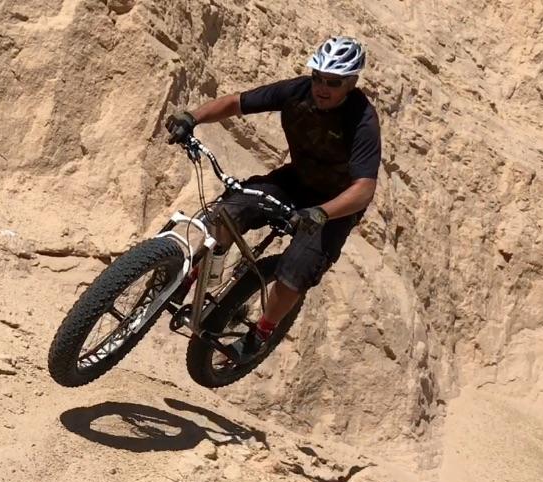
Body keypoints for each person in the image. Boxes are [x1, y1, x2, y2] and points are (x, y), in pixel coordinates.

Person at [163, 36, 382, 360]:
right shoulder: (298, 91)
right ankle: (201, 270)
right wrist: (192, 117)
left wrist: (321, 213)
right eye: (317, 77)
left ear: (351, 82)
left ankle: (262, 330)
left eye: (333, 82)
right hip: (295, 181)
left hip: (334, 207)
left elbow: (364, 188)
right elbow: (236, 103)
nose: (322, 87)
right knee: (227, 212)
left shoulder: (362, 120)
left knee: (294, 273)